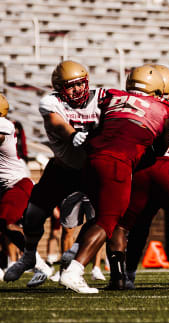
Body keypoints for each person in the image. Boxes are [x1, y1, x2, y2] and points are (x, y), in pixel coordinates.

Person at [58, 65, 169, 294]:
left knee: (103, 217)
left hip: (90, 158)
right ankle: (75, 269)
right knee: (109, 220)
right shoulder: (162, 108)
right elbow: (161, 149)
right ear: (158, 90)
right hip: (117, 161)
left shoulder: (113, 96)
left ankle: (78, 256)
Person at [107, 64, 169, 290]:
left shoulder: (123, 103)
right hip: (166, 168)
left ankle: (123, 277)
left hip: (137, 172)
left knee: (125, 227)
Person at [3, 61, 103, 286]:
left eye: (80, 84)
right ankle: (29, 256)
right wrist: (73, 133)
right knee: (33, 216)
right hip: (62, 168)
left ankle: (77, 254)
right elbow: (56, 122)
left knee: (106, 216)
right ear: (59, 88)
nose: (77, 90)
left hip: (92, 170)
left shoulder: (102, 98)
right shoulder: (51, 102)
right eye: (70, 86)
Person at [0, 93, 49, 284]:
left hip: (18, 183)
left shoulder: (4, 124)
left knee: (7, 222)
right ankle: (37, 263)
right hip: (6, 187)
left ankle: (37, 263)